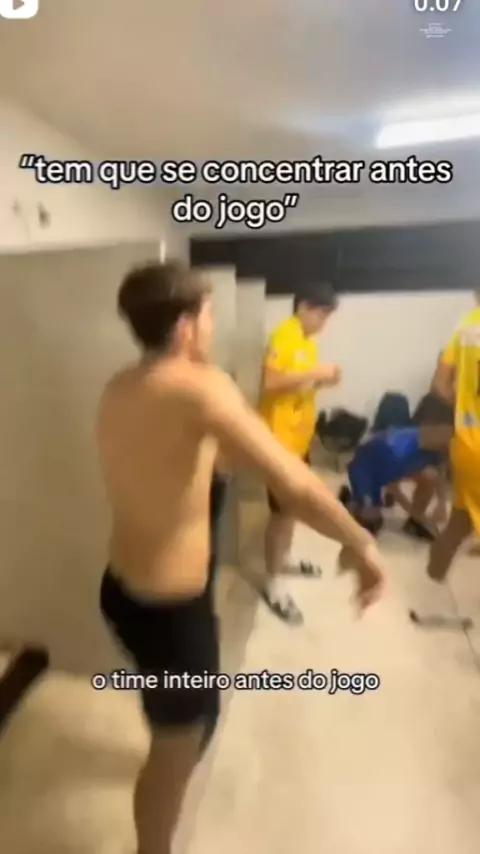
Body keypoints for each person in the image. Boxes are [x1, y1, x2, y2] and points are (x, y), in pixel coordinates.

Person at [96, 261, 385, 854]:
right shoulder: (200, 387)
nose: (213, 326)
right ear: (185, 327)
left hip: (120, 592)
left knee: (182, 715)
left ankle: (169, 729)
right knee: (174, 756)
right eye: (208, 315)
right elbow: (296, 484)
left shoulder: (120, 386)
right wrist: (361, 542)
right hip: (170, 613)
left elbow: (174, 464)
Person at [258, 282, 342, 624]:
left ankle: (285, 560)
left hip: (298, 440)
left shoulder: (307, 342)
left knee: (292, 510)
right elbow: (271, 383)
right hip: (279, 443)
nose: (324, 323)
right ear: (304, 306)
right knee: (282, 513)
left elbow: (297, 386)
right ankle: (273, 583)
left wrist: (322, 380)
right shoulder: (285, 334)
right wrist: (314, 373)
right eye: (321, 314)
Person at [426, 291, 480, 582]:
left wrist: (464, 409)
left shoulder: (464, 327)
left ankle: (434, 573)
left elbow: (440, 384)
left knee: (462, 515)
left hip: (467, 441)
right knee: (463, 518)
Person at [338, 424, 452, 538]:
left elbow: (441, 471)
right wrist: (421, 519)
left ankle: (413, 522)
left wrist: (441, 505)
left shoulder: (437, 449)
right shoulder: (398, 450)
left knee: (430, 477)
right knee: (371, 524)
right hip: (364, 469)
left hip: (389, 464)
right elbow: (395, 489)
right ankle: (351, 501)